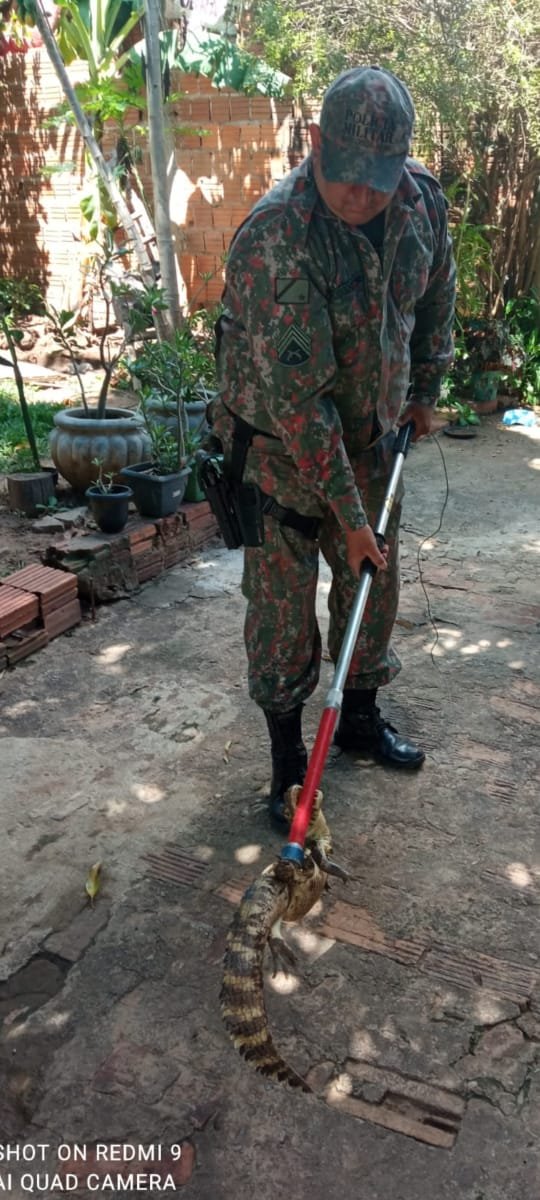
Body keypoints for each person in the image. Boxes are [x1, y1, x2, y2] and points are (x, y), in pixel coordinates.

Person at [211, 65, 456, 829]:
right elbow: (301, 404)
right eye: (347, 174)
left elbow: (436, 294)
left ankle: (359, 718)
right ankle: (289, 764)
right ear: (316, 143)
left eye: (377, 179)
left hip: (372, 438)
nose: (360, 195)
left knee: (371, 590)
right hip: (282, 455)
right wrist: (350, 518)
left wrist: (424, 389)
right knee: (282, 615)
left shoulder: (419, 203)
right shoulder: (277, 238)